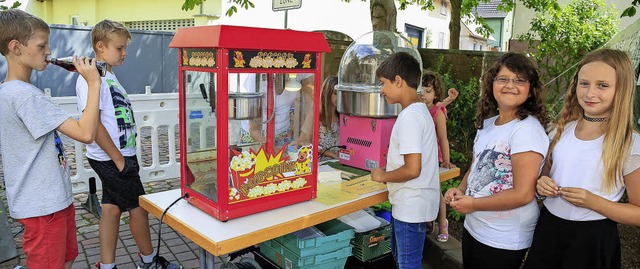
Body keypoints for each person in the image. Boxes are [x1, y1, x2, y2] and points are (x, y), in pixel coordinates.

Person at [0, 9, 102, 269]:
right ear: (16, 47)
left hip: (49, 201)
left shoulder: (9, 92)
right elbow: (86, 133)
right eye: (41, 45)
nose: (48, 51)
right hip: (43, 206)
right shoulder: (26, 96)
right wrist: (93, 84)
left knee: (64, 260)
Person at [75, 19, 180, 269]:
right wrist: (120, 160)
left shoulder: (108, 74)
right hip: (111, 157)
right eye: (120, 48)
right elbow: (94, 124)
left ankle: (107, 265)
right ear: (100, 46)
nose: (125, 53)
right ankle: (149, 262)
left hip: (119, 155)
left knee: (111, 210)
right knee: (139, 208)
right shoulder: (89, 79)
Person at [523, 49, 640, 269]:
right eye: (584, 83)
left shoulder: (630, 144)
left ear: (622, 90)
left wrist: (593, 202)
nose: (590, 93)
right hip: (548, 230)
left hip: (592, 241)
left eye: (602, 85)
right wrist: (541, 184)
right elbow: (543, 176)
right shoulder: (559, 131)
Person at [444, 52, 550, 268]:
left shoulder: (526, 130)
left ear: (531, 90)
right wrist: (461, 189)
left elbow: (523, 193)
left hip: (504, 238)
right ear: (492, 84)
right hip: (475, 227)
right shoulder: (489, 124)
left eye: (519, 80)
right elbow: (477, 164)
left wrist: (473, 204)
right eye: (503, 79)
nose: (510, 85)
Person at [370, 51, 440, 269]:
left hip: (411, 207)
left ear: (398, 81)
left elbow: (412, 169)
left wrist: (383, 175)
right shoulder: (419, 111)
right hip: (411, 205)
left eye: (383, 83)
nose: (381, 90)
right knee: (403, 261)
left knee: (408, 264)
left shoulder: (409, 117)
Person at [421, 70, 456, 243]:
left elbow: (443, 138)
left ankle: (443, 223)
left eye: (428, 92)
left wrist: (446, 160)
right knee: (423, 190)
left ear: (435, 94)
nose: (424, 95)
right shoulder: (417, 108)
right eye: (421, 91)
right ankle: (428, 221)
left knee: (437, 192)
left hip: (433, 158)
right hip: (419, 157)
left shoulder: (437, 112)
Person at [318, 75, 340, 161]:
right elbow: (309, 143)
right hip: (320, 164)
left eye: (341, 94)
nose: (339, 97)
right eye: (335, 93)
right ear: (324, 93)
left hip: (338, 163)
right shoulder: (317, 115)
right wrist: (331, 154)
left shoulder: (342, 117)